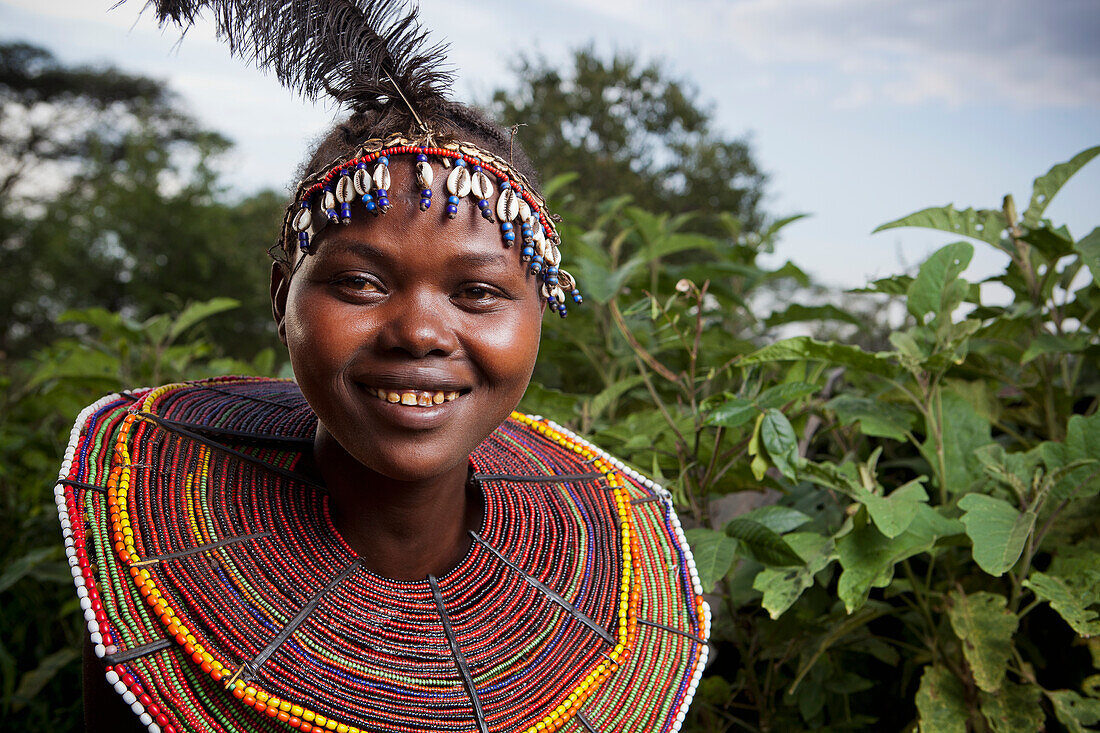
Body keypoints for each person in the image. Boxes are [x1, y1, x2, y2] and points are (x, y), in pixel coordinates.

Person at [57, 2, 710, 732]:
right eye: (362, 283)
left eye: (479, 292)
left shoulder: (616, 593)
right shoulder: (152, 554)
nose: (421, 333)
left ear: (538, 315)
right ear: (283, 300)